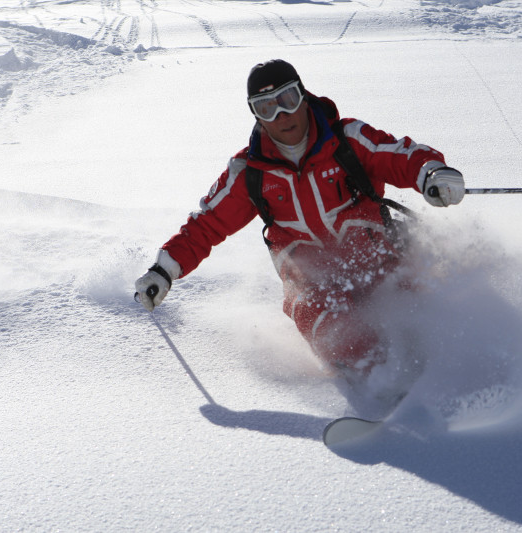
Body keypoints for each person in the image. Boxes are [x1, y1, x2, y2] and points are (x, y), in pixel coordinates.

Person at [135, 59, 464, 380]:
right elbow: (207, 224)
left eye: (288, 99)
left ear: (303, 96)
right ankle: (375, 382)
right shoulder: (250, 172)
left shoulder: (347, 139)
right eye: (266, 108)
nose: (282, 115)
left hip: (379, 260)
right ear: (256, 115)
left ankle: (446, 365)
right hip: (315, 281)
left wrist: (431, 173)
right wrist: (164, 270)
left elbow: (398, 156)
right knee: (319, 313)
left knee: (419, 300)